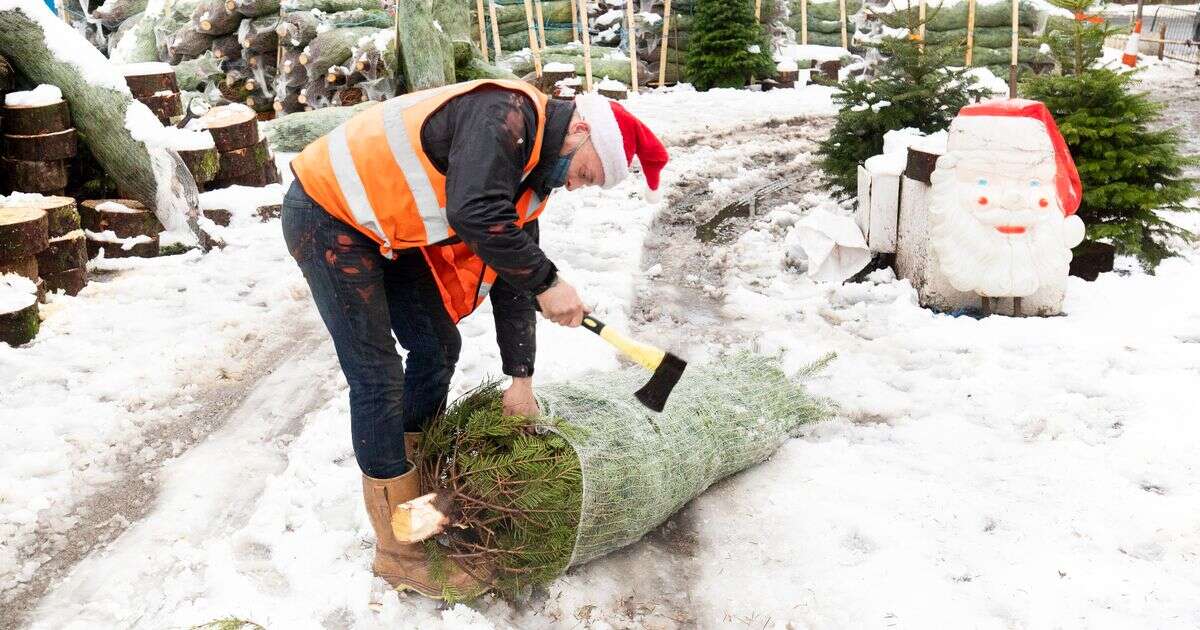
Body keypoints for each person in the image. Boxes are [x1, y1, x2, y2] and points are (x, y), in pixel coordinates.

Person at [281, 79, 668, 598]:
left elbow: (513, 273)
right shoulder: (503, 115)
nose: (574, 186)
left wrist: (521, 379)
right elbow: (476, 213)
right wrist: (549, 282)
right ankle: (397, 550)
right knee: (376, 375)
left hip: (384, 230)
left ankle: (416, 498)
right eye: (584, 173)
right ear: (580, 129)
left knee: (438, 347)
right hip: (327, 215)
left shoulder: (530, 176)